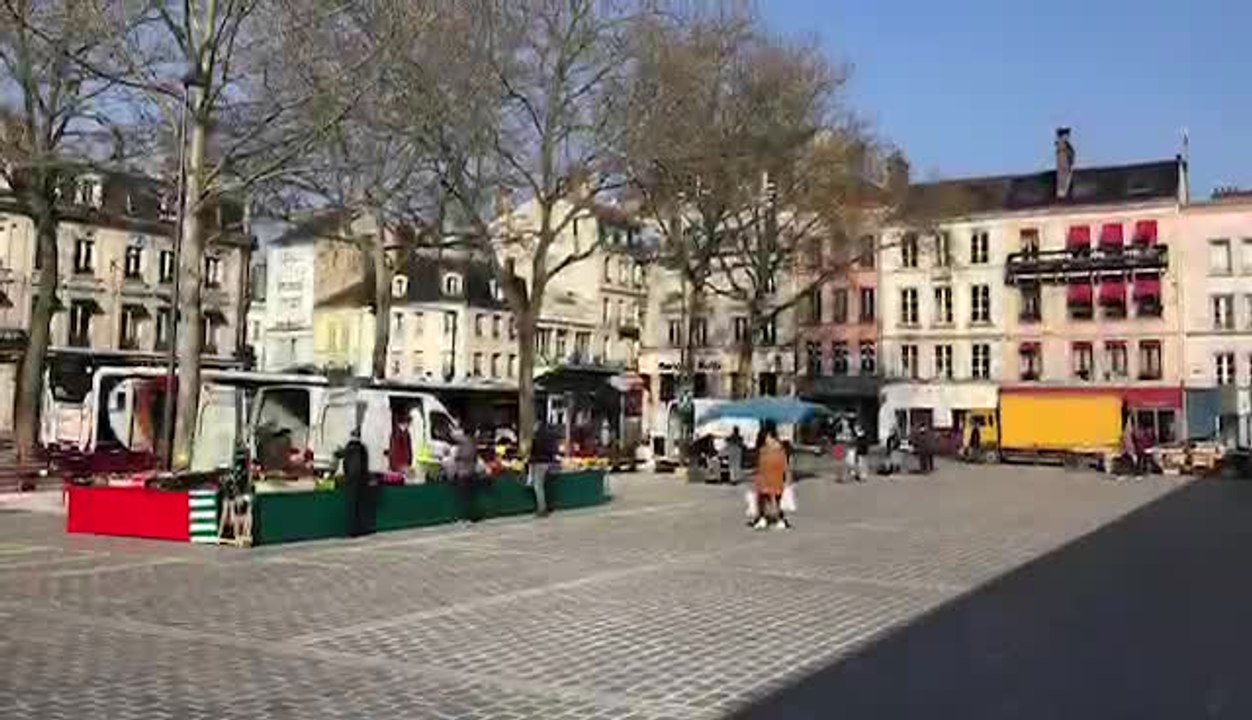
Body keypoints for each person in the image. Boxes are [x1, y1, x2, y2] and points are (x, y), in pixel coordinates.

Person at [751, 420, 790, 530]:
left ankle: (763, 518)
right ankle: (779, 519)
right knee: (776, 497)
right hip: (777, 469)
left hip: (766, 469)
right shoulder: (779, 444)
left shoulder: (764, 440)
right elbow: (784, 459)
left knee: (764, 495)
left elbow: (757, 454)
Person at [340, 429, 374, 537]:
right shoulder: (361, 448)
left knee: (352, 505)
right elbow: (361, 466)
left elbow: (346, 465)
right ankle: (359, 529)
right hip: (359, 480)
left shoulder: (348, 448)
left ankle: (352, 529)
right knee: (360, 505)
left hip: (351, 480)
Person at [452, 428, 484, 522]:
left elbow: (461, 456)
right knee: (470, 496)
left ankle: (466, 516)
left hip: (464, 472)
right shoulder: (473, 443)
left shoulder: (466, 442)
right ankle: (470, 515)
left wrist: (458, 458)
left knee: (465, 496)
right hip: (470, 471)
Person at [529, 422, 559, 516]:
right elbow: (554, 450)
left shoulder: (537, 438)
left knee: (538, 486)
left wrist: (529, 462)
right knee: (546, 485)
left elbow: (533, 452)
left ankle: (542, 509)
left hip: (539, 463)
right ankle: (549, 506)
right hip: (548, 463)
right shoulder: (550, 436)